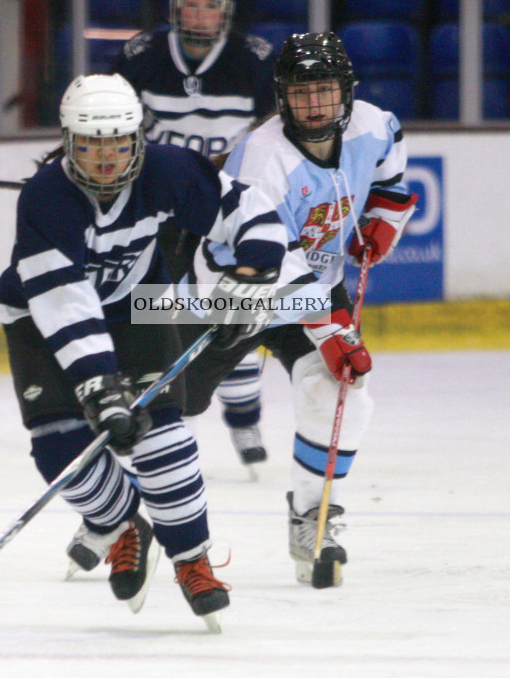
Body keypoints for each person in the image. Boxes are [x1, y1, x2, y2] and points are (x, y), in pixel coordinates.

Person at [0, 73, 289, 625]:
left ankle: (191, 558)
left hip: (137, 302)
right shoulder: (46, 197)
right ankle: (126, 523)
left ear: (137, 138)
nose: (106, 156)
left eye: (117, 141)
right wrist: (100, 384)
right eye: (90, 142)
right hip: (39, 317)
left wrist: (252, 272)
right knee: (59, 449)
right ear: (67, 140)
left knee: (163, 435)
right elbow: (65, 302)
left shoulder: (167, 170)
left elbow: (253, 214)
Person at [178, 32, 418, 589]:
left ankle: (312, 518)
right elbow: (269, 258)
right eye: (301, 93)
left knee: (340, 389)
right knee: (173, 405)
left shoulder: (373, 125)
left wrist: (384, 217)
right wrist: (330, 324)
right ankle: (120, 514)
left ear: (347, 93)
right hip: (231, 291)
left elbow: (391, 171)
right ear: (281, 98)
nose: (314, 105)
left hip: (316, 286)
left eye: (325, 92)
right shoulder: (261, 158)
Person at [112, 0, 277, 470]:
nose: (200, 14)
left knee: (231, 311)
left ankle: (244, 416)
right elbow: (104, 120)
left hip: (219, 204)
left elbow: (273, 132)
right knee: (154, 307)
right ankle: (154, 406)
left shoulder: (254, 61)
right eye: (191, 2)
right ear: (174, 6)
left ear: (225, 12)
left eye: (211, 4)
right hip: (159, 205)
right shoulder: (140, 56)